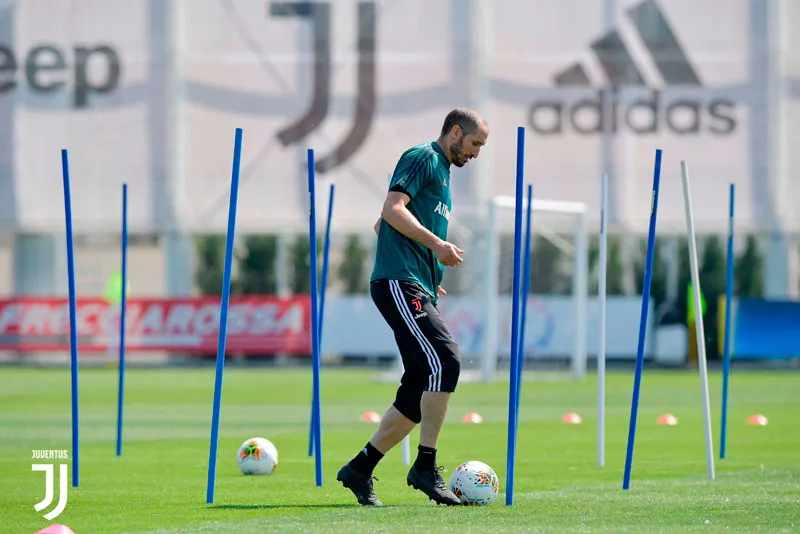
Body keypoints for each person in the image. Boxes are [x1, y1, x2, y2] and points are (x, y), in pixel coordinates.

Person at [336, 108, 489, 506]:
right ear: (456, 133)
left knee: (421, 381)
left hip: (415, 283)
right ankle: (425, 465)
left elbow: (382, 224)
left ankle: (360, 468)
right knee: (447, 361)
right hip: (397, 282)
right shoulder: (423, 157)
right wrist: (436, 246)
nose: (476, 153)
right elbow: (391, 209)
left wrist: (430, 273)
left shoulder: (444, 175)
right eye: (475, 144)